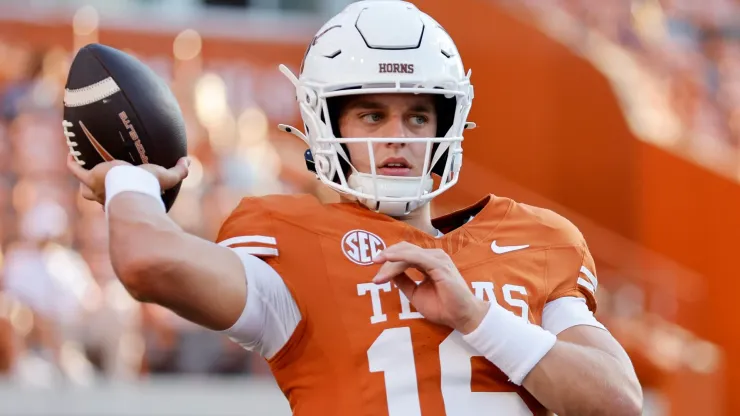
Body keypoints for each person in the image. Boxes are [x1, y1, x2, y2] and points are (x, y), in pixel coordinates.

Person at [67, 1, 642, 415]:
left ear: (445, 126)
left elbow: (618, 401)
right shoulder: (290, 242)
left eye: (417, 116)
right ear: (326, 126)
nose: (398, 136)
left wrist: (477, 318)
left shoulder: (536, 240)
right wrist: (128, 181)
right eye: (371, 116)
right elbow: (147, 262)